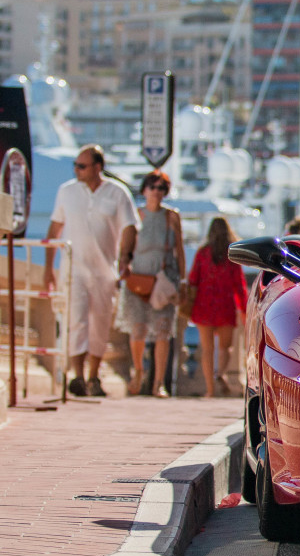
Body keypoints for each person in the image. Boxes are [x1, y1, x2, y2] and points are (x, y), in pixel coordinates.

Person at [43, 145, 140, 397]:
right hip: (72, 269)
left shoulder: (117, 193)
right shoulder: (66, 191)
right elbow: (53, 231)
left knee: (99, 323)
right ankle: (77, 376)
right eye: (75, 165)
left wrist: (126, 259)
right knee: (76, 320)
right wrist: (47, 269)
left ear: (97, 167)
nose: (76, 169)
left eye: (81, 166)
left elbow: (130, 227)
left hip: (104, 271)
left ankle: (94, 376)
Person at [116, 171, 185, 397]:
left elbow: (179, 250)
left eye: (161, 188)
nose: (156, 191)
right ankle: (138, 371)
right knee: (138, 329)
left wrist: (182, 280)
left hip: (164, 279)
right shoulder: (136, 215)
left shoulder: (171, 217)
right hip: (139, 278)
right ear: (144, 190)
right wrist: (123, 265)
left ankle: (158, 383)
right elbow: (125, 247)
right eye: (152, 187)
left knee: (164, 331)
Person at [187, 217, 248, 398]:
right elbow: (239, 285)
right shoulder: (232, 255)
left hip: (204, 304)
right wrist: (244, 309)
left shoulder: (202, 253)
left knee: (207, 349)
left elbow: (192, 280)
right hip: (225, 306)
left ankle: (210, 390)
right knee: (225, 348)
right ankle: (220, 373)